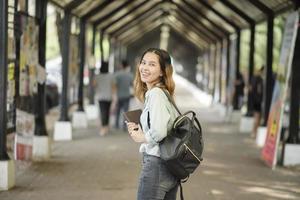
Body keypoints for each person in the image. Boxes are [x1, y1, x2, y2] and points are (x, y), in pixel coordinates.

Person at [126, 48, 179, 200]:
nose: (145, 68)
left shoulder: (156, 94)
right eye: (143, 63)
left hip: (156, 164)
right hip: (169, 167)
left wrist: (141, 137)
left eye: (152, 64)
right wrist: (141, 130)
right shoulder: (163, 94)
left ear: (163, 71)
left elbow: (159, 132)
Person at [94, 61, 116, 136]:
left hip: (100, 96)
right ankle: (106, 127)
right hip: (108, 96)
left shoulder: (97, 76)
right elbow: (113, 87)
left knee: (103, 112)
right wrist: (114, 96)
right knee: (107, 112)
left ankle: (103, 128)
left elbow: (94, 85)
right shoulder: (110, 76)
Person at [114, 60, 134, 130]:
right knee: (126, 111)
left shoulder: (117, 74)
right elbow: (132, 85)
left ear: (121, 65)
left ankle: (116, 125)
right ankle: (124, 126)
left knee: (118, 111)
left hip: (119, 95)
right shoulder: (130, 75)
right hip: (127, 95)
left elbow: (115, 85)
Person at [250, 66, 264, 138]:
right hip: (258, 101)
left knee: (257, 118)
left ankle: (254, 132)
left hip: (255, 101)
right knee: (257, 118)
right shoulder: (259, 80)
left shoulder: (254, 78)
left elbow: (251, 89)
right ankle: (254, 132)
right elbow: (259, 91)